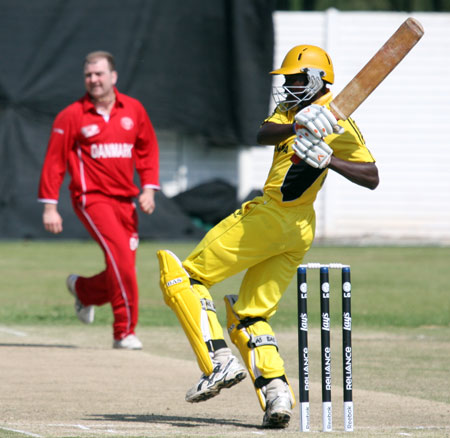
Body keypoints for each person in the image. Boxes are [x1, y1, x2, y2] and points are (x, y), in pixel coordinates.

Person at [157, 44, 379, 428]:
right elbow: (263, 133)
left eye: (295, 79)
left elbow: (371, 176)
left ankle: (217, 361)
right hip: (297, 233)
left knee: (184, 276)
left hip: (274, 217)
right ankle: (277, 394)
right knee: (249, 313)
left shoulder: (340, 124)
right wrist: (299, 124)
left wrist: (330, 159)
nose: (288, 86)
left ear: (315, 79)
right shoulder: (293, 111)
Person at [38, 51, 159, 350]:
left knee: (123, 268)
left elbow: (147, 150)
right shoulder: (71, 115)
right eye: (89, 75)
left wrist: (148, 189)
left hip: (126, 200)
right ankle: (123, 332)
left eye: (99, 74)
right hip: (91, 198)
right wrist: (50, 207)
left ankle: (84, 290)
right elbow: (54, 162)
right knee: (122, 263)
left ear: (113, 76)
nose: (93, 80)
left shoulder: (133, 109)